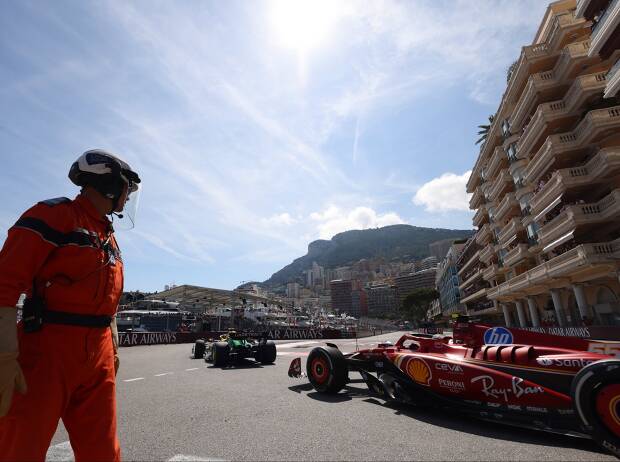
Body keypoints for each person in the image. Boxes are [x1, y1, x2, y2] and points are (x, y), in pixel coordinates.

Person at [0, 149, 141, 461]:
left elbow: (110, 300)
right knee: (20, 446)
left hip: (99, 353)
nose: (128, 197)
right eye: (127, 189)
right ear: (110, 183)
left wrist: (113, 348)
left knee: (103, 451)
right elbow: (4, 285)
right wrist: (5, 354)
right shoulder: (52, 215)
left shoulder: (108, 234)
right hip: (47, 350)